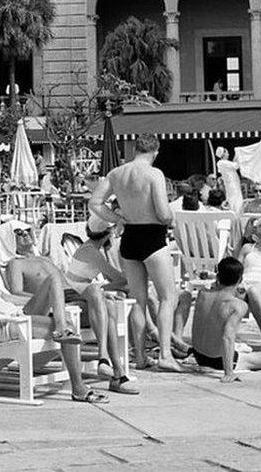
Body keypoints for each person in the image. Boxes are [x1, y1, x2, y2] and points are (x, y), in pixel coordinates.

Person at [0, 237, 109, 404]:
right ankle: (79, 388)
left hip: (15, 313)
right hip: (2, 323)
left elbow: (7, 297)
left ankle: (61, 329)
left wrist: (45, 298)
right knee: (70, 326)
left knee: (54, 279)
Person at [89, 133, 183, 372]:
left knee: (138, 301)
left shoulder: (117, 173)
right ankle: (164, 354)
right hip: (153, 236)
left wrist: (117, 217)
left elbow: (95, 203)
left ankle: (140, 357)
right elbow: (162, 212)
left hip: (129, 237)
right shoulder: (154, 174)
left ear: (135, 150)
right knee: (167, 298)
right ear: (155, 152)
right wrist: (171, 218)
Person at [4, 223, 137, 392]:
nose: (25, 234)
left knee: (106, 301)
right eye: (18, 233)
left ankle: (110, 366)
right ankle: (113, 370)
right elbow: (16, 292)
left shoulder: (46, 259)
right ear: (10, 240)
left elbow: (68, 283)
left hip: (72, 294)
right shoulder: (16, 263)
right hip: (57, 304)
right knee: (101, 297)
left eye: (27, 230)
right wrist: (51, 298)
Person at [189, 257, 261, 381]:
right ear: (240, 279)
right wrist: (229, 373)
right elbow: (227, 337)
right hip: (217, 361)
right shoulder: (238, 305)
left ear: (218, 277)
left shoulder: (202, 294)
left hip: (199, 355)